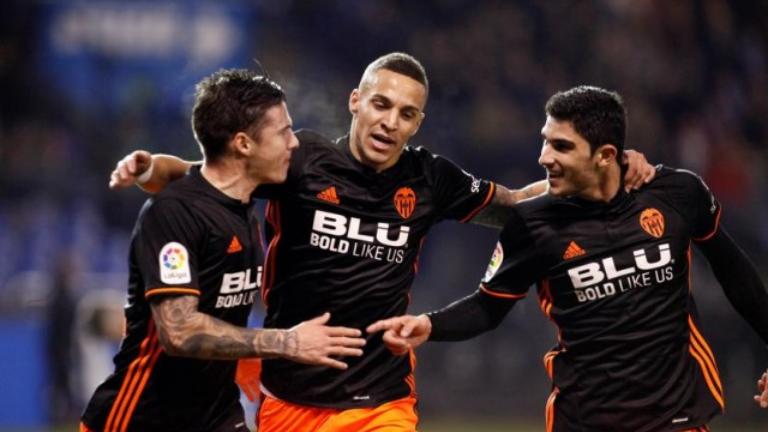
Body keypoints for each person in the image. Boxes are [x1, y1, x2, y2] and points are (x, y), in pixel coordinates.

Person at [109, 54, 655, 432]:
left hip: (382, 396)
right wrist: (151, 168)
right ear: (356, 101)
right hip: (289, 394)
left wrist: (602, 168)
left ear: (418, 122)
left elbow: (513, 204)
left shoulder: (430, 178)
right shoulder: (300, 160)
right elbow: (213, 173)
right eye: (381, 105)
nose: (390, 122)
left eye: (406, 114)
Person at [368, 85, 768, 431]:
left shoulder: (677, 194)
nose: (544, 157)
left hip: (676, 416)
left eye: (561, 146)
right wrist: (428, 324)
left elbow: (735, 273)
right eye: (545, 141)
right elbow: (489, 307)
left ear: (606, 154)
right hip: (584, 421)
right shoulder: (532, 224)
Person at [81, 69, 366, 432]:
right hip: (142, 418)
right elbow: (179, 332)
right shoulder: (175, 213)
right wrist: (286, 342)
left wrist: (151, 167)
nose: (294, 143)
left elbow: (191, 172)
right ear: (243, 144)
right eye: (283, 132)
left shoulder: (241, 202)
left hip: (216, 414)